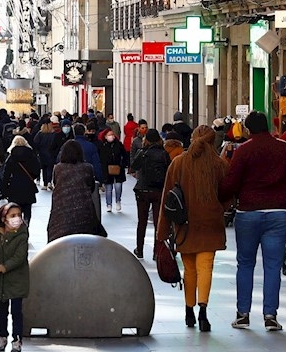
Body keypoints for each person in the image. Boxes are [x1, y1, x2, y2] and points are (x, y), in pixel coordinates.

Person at [219, 111, 286, 331]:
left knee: (246, 263)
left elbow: (231, 183)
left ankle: (243, 314)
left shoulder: (244, 151)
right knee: (272, 265)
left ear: (248, 130)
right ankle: (270, 315)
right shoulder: (284, 149)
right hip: (278, 213)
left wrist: (222, 198)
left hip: (248, 213)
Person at [156, 125, 229, 331]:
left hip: (184, 226)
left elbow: (166, 200)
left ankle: (189, 310)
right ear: (212, 141)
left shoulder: (178, 163)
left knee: (189, 270)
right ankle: (203, 312)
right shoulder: (220, 164)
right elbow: (227, 197)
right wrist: (217, 208)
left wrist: (162, 232)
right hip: (210, 226)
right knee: (205, 268)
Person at [0, 202, 29, 352]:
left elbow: (19, 257)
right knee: (2, 310)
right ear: (4, 219)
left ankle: (17, 340)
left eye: (19, 215)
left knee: (16, 310)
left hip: (16, 278)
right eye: (12, 216)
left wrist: (0, 268)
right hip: (0, 280)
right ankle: (2, 336)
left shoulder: (22, 235)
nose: (17, 218)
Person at [47, 140, 103, 243]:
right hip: (84, 212)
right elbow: (91, 187)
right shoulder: (87, 167)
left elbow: (56, 183)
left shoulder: (58, 168)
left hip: (61, 210)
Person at [129, 130, 169, 258]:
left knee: (142, 221)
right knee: (158, 222)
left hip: (143, 190)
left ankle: (139, 249)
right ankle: (156, 252)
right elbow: (169, 170)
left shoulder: (143, 152)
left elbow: (133, 166)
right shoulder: (164, 153)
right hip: (158, 190)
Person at [0, 136, 41, 222]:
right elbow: (37, 170)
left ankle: (17, 226)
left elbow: (6, 174)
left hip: (14, 187)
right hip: (28, 186)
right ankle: (26, 224)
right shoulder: (31, 156)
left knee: (14, 210)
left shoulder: (11, 157)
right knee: (27, 209)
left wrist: (4, 190)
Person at [98, 128, 127, 213]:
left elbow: (124, 155)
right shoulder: (102, 146)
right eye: (109, 135)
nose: (111, 136)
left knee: (118, 187)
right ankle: (109, 204)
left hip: (118, 168)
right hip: (107, 170)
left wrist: (123, 164)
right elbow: (101, 159)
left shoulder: (119, 145)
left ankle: (118, 201)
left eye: (112, 134)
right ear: (105, 137)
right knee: (109, 188)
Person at [33, 121, 61, 190]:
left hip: (42, 153)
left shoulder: (40, 134)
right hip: (51, 153)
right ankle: (49, 182)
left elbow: (35, 143)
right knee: (50, 168)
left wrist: (38, 151)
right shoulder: (53, 134)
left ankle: (45, 183)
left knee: (44, 168)